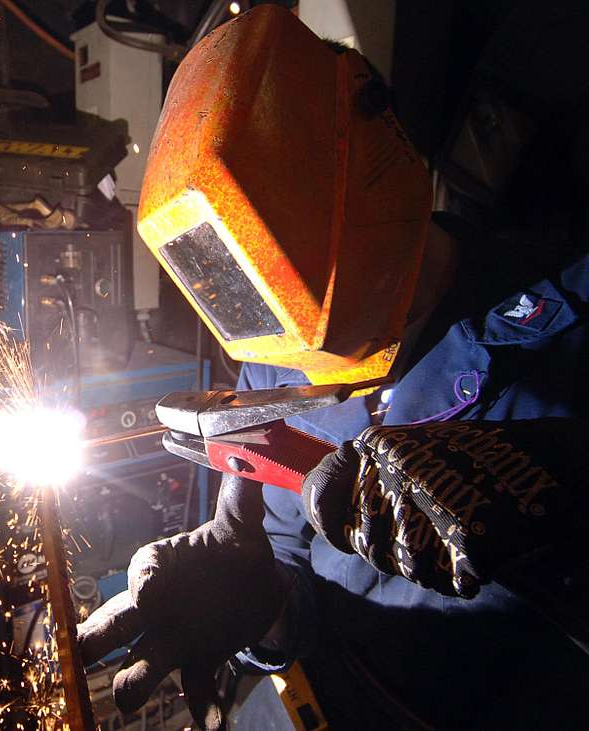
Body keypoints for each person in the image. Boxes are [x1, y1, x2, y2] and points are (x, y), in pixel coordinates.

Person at [78, 6, 589, 729]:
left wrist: (563, 523)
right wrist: (271, 614)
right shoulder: (267, 375)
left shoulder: (568, 317)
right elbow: (284, 555)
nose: (296, 364)